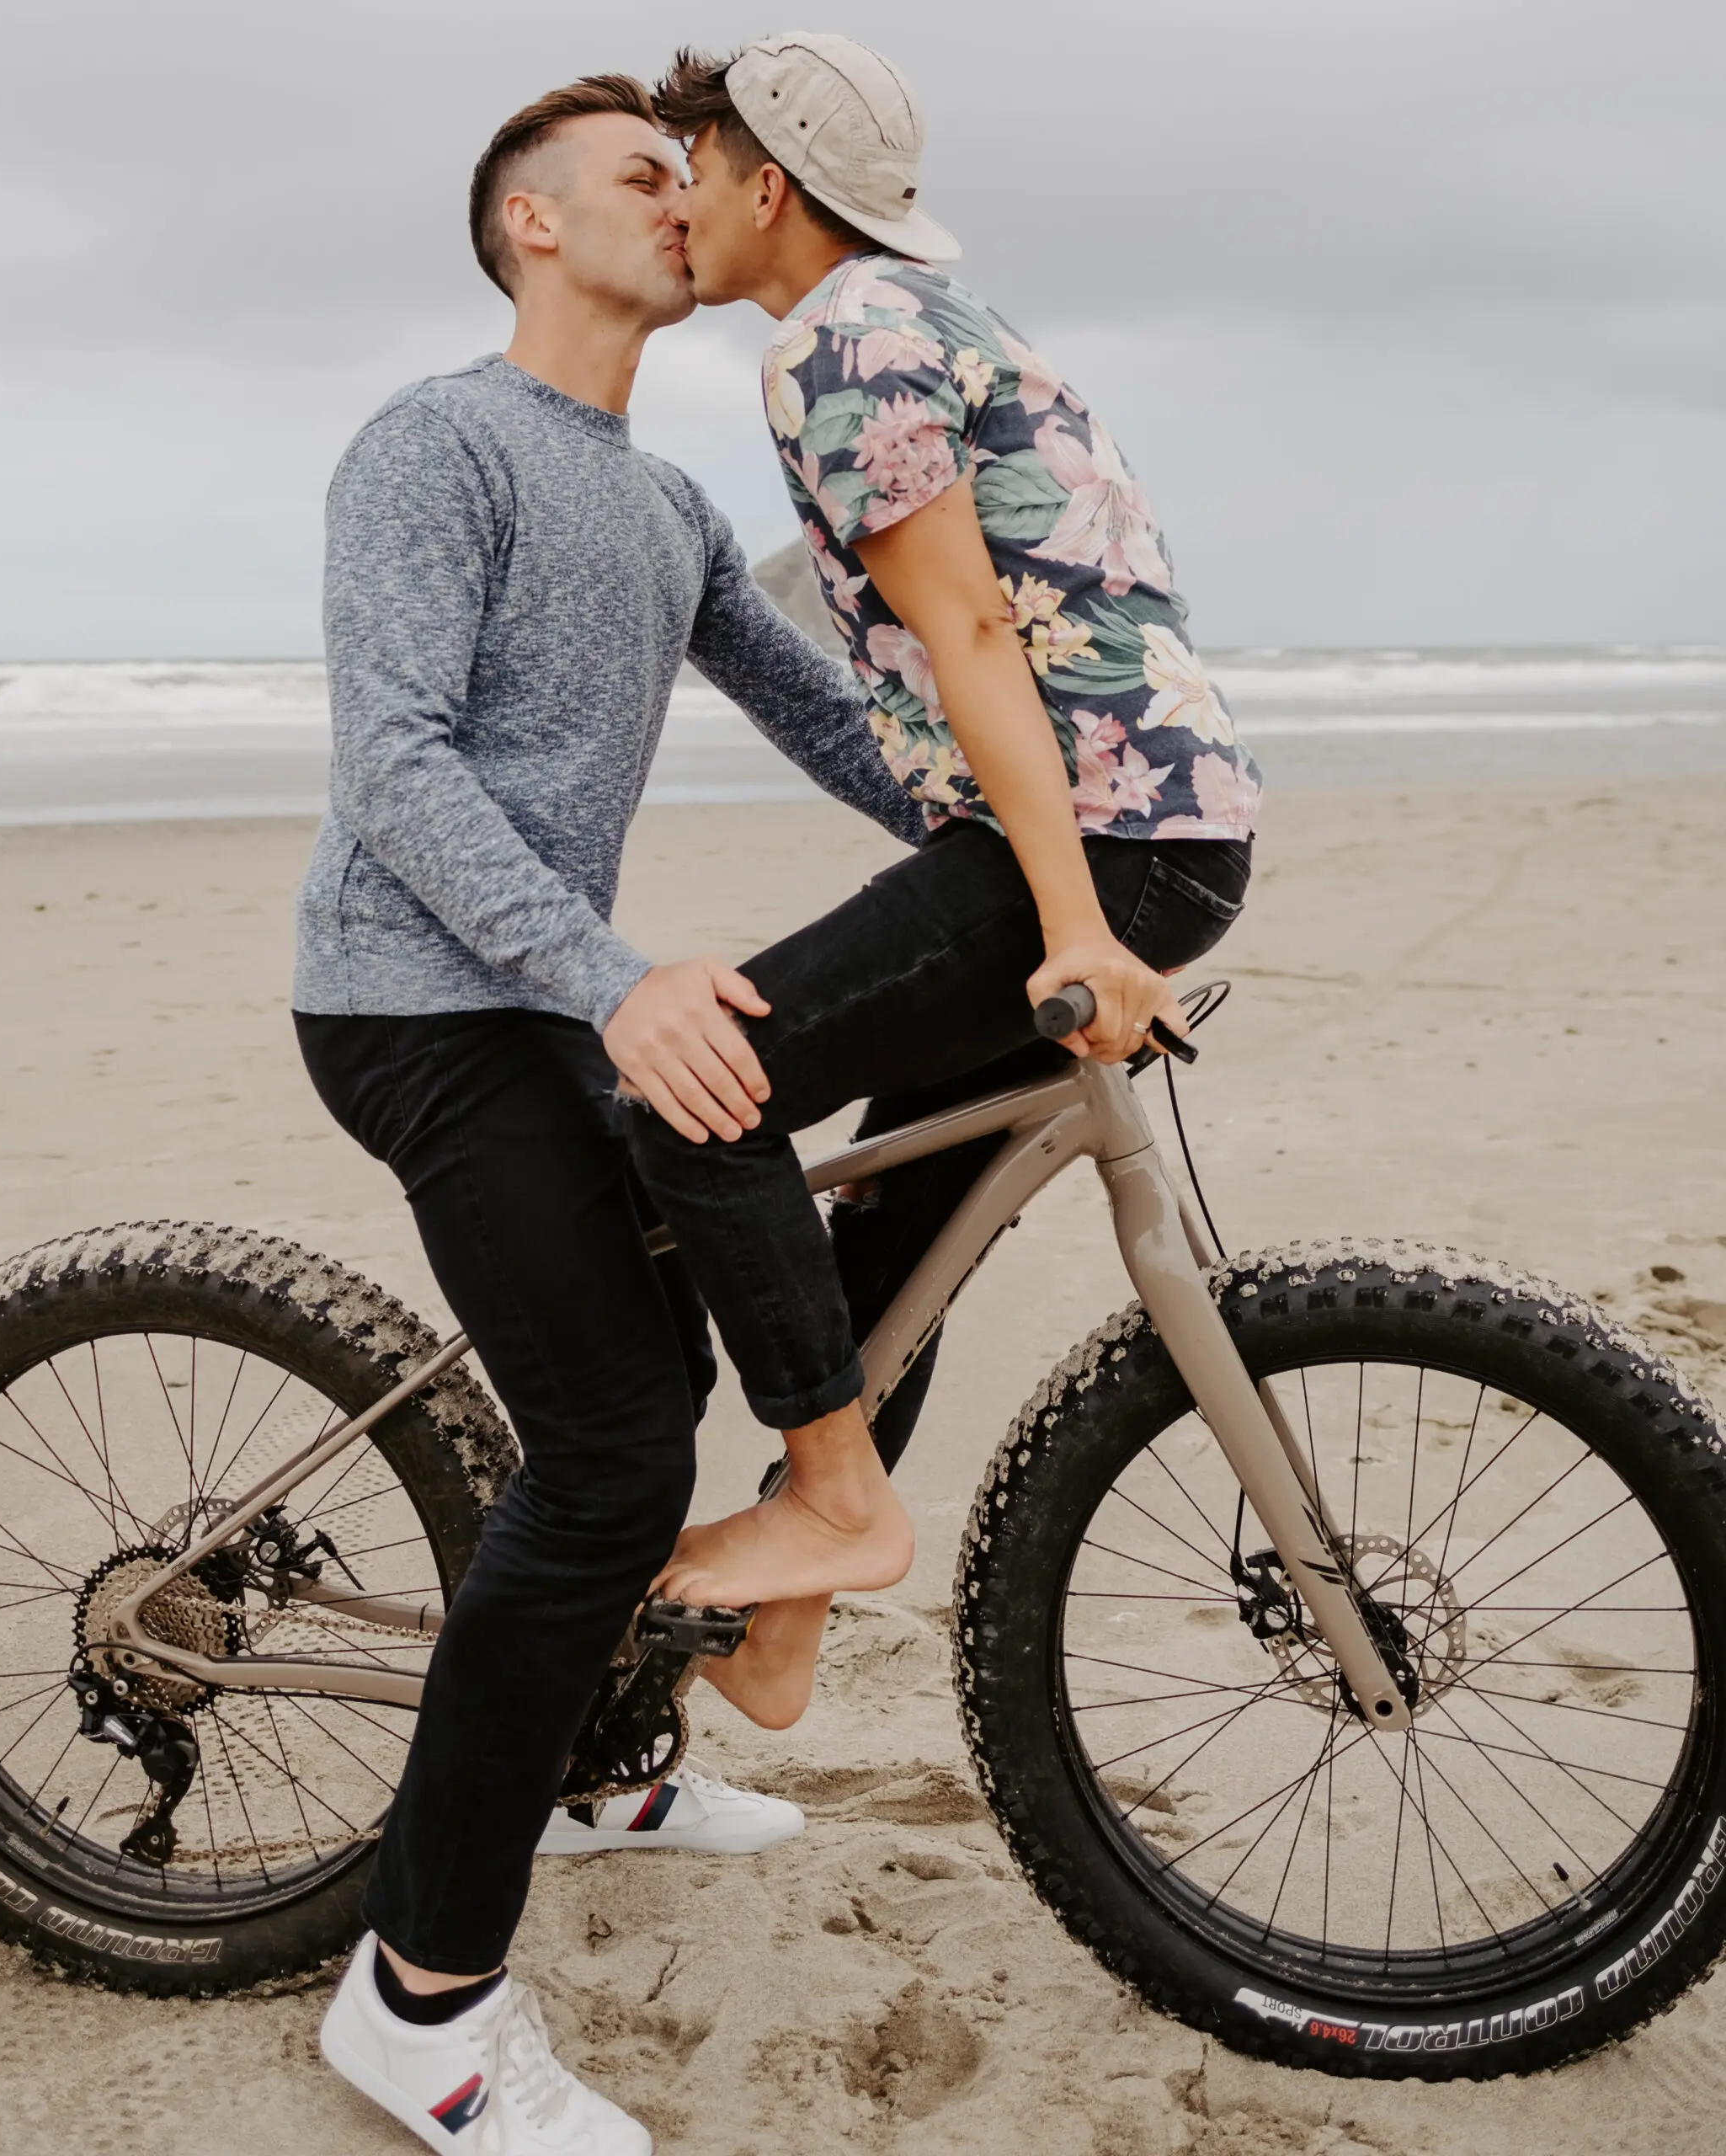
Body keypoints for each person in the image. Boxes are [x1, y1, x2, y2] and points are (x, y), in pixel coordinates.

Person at [295, 73, 927, 2155]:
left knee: (671, 1327)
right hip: (412, 999)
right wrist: (606, 975)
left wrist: (1028, 843)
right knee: (611, 1448)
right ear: (529, 227)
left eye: (692, 177)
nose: (691, 202)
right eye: (644, 178)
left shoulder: (656, 508)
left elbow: (827, 716)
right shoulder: (431, 441)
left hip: (549, 993)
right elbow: (393, 763)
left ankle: (593, 1773)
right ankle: (419, 2001)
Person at [612, 35, 1263, 1722]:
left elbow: (969, 628)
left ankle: (830, 1498)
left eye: (686, 168)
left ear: (765, 183)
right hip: (1172, 827)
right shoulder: (941, 322)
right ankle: (784, 1620)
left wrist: (1065, 926)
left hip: (1095, 848)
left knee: (697, 1095)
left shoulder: (835, 342)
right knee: (901, 1209)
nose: (674, 202)